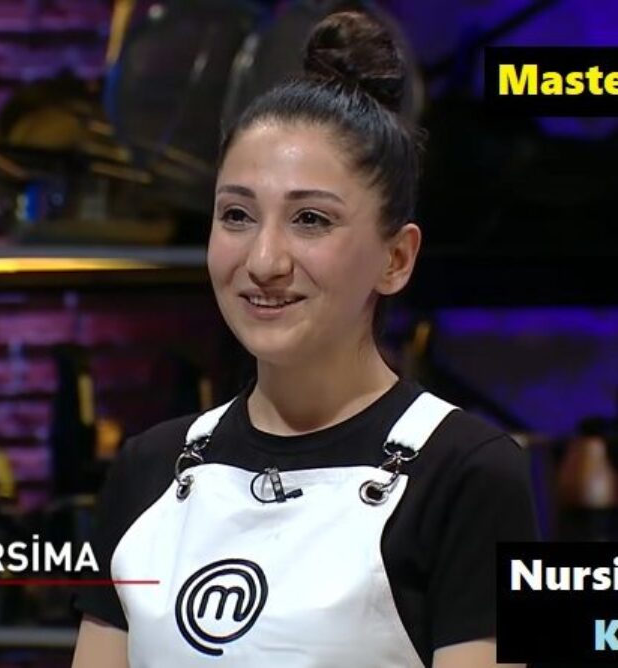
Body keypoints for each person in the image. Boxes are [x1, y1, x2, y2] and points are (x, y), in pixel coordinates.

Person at [71, 10, 537, 668]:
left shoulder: (470, 474)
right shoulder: (147, 470)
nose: (264, 260)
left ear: (396, 259)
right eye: (237, 215)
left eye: (311, 219)